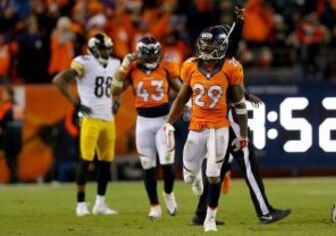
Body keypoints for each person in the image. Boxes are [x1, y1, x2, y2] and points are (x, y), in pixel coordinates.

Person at [191, 8, 291, 226]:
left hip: (212, 121)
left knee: (219, 167)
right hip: (227, 120)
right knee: (248, 163)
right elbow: (232, 44)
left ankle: (200, 214)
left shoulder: (204, 63)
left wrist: (245, 94)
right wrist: (239, 23)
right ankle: (265, 212)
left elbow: (225, 77)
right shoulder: (226, 61)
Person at [164, 26, 249, 232]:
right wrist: (169, 122)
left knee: (213, 173)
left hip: (219, 126)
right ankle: (195, 179)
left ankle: (210, 218)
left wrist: (244, 134)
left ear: (221, 47)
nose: (208, 48)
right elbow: (182, 98)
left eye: (213, 44)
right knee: (188, 177)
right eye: (206, 43)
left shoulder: (231, 68)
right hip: (196, 127)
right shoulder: (191, 66)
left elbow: (239, 104)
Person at [111, 36, 182, 219]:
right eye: (148, 55)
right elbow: (115, 90)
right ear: (140, 54)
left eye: (154, 54)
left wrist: (187, 106)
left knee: (167, 166)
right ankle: (154, 206)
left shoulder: (167, 67)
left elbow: (181, 91)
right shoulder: (133, 69)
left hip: (163, 122)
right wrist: (124, 65)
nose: (151, 59)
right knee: (148, 166)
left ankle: (168, 193)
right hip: (143, 122)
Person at [53, 33, 118, 216]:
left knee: (106, 162)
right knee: (85, 160)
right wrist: (76, 103)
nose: (108, 51)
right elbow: (59, 80)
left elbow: (123, 82)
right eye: (104, 48)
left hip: (108, 117)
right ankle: (81, 204)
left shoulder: (114, 63)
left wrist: (118, 99)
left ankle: (100, 203)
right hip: (90, 117)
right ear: (95, 49)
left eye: (109, 48)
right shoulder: (84, 62)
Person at [0, 87, 24, 183]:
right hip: (17, 134)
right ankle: (14, 177)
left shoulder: (6, 107)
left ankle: (13, 178)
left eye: (5, 94)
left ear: (9, 95)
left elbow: (2, 121)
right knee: (15, 157)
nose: (3, 95)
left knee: (10, 157)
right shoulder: (17, 106)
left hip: (9, 134)